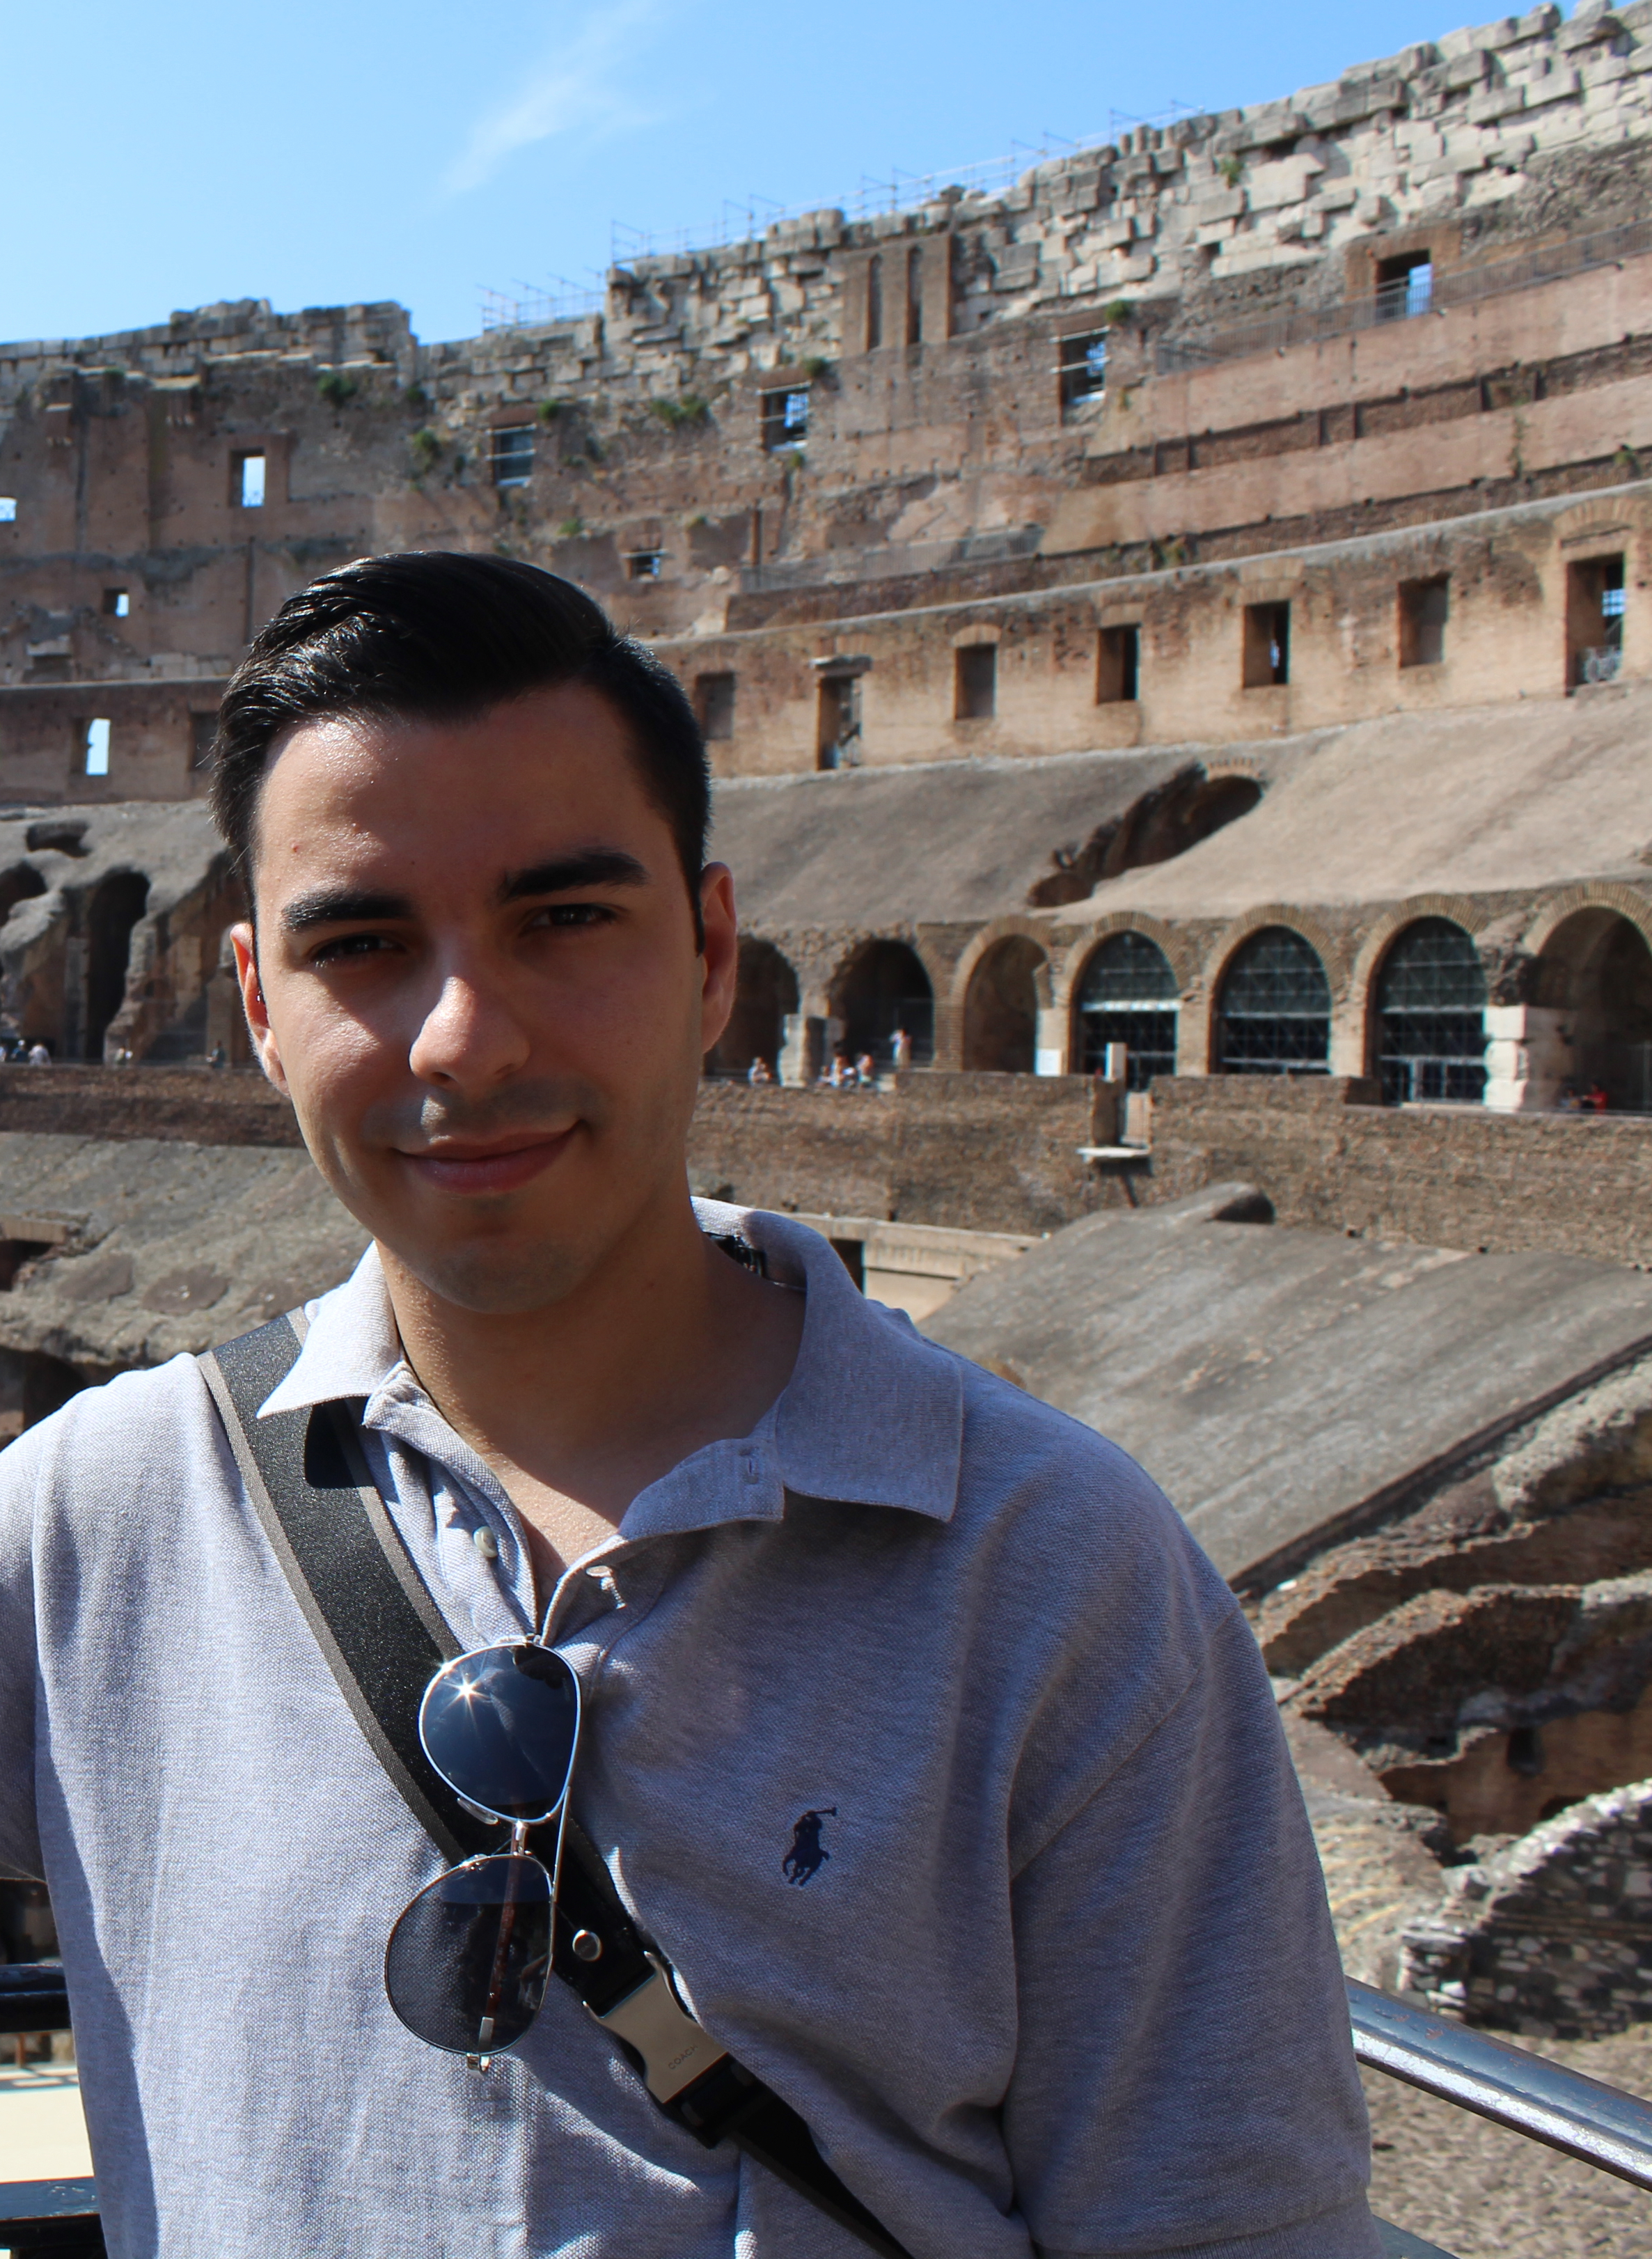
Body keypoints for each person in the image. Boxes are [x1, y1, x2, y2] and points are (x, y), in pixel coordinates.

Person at [0, 554, 1380, 2259]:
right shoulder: (80, 1524)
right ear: (261, 1007)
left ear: (714, 951)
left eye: (562, 919)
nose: (462, 1038)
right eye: (361, 943)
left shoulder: (1058, 1569)